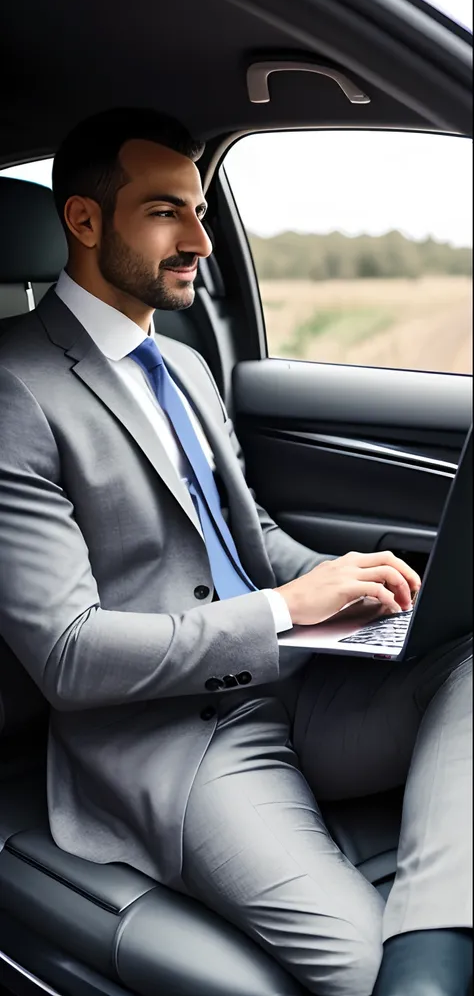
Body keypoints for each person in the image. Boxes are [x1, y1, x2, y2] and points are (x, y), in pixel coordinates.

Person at [0, 108, 471, 996]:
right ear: (85, 221)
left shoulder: (179, 365)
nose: (202, 243)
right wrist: (287, 611)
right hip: (177, 742)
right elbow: (68, 657)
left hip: (297, 686)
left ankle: (439, 931)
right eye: (166, 212)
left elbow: (247, 541)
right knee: (376, 977)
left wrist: (339, 584)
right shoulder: (16, 390)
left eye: (201, 210)